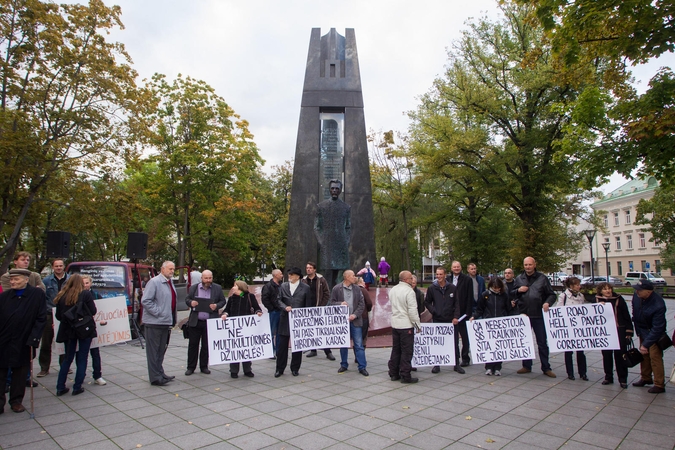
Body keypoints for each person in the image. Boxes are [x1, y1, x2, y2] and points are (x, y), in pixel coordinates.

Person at [0, 269, 46, 413]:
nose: (13, 282)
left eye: (16, 279)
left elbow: (41, 318)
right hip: (4, 340)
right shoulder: (4, 297)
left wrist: (34, 338)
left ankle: (16, 401)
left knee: (20, 374)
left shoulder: (36, 295)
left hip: (24, 341)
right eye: (11, 280)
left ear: (26, 279)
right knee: (1, 373)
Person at [512, 256, 557, 378]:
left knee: (542, 342)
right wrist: (517, 293)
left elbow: (552, 295)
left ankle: (546, 367)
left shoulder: (542, 278)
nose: (528, 267)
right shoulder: (519, 279)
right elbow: (512, 294)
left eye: (530, 265)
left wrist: (547, 303)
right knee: (525, 342)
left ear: (534, 265)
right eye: (526, 265)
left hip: (538, 315)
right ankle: (526, 365)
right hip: (524, 315)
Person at [54, 274, 97, 396]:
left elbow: (58, 316)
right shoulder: (85, 294)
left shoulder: (62, 296)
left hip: (67, 329)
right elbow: (93, 311)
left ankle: (60, 386)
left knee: (67, 359)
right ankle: (77, 386)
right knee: (82, 357)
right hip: (83, 329)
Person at [141, 261, 177, 386]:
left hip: (165, 322)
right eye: (170, 269)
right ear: (162, 269)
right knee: (154, 351)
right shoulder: (155, 282)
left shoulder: (169, 282)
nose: (172, 271)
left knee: (161, 349)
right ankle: (155, 377)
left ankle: (160, 372)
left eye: (173, 269)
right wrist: (159, 313)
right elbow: (146, 301)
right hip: (155, 322)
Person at [185, 270, 226, 376]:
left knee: (206, 346)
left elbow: (223, 301)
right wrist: (191, 303)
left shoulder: (217, 288)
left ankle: (204, 366)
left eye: (210, 278)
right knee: (193, 345)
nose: (208, 280)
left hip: (209, 322)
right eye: (206, 278)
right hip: (196, 321)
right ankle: (190, 367)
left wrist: (216, 306)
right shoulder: (194, 288)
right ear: (201, 278)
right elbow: (187, 299)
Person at [274, 267, 312, 377]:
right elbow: (278, 300)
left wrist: (305, 320)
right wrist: (285, 307)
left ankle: (295, 368)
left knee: (297, 346)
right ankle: (279, 369)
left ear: (298, 276)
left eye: (292, 275)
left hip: (298, 321)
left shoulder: (305, 288)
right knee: (282, 347)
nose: (289, 276)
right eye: (289, 274)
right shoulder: (283, 286)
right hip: (285, 319)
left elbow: (308, 305)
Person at [631, 279, 667, 393]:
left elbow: (658, 327)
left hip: (653, 333)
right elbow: (634, 310)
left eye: (640, 290)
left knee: (655, 357)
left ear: (648, 291)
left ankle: (659, 384)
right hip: (642, 329)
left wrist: (647, 343)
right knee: (644, 355)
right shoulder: (637, 296)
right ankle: (646, 378)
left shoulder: (658, 304)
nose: (637, 292)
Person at [472, 277, 513, 376]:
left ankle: (498, 367)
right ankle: (489, 367)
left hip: (500, 324)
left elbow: (508, 309)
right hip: (488, 323)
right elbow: (480, 309)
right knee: (489, 346)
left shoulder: (504, 295)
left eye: (498, 288)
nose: (497, 290)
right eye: (495, 288)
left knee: (499, 347)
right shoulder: (485, 295)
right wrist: (474, 316)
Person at [425, 267, 463, 374]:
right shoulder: (432, 288)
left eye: (441, 274)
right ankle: (437, 365)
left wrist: (456, 317)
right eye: (437, 274)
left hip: (451, 320)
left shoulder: (452, 288)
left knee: (454, 342)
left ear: (445, 275)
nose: (439, 277)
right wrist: (434, 311)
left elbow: (457, 304)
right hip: (438, 319)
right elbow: (427, 302)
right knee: (438, 342)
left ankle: (456, 364)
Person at [330, 270, 368, 376]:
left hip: (355, 320)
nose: (355, 277)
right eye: (352, 275)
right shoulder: (337, 289)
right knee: (343, 344)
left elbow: (361, 304)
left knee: (359, 345)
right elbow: (332, 303)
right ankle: (343, 364)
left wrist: (354, 315)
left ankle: (362, 366)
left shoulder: (357, 289)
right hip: (342, 322)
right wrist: (339, 303)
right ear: (346, 277)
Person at [314, 179, 351, 288]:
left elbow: (348, 227)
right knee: (327, 274)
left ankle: (337, 298)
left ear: (340, 190)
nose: (335, 190)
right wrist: (321, 242)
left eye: (337, 188)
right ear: (329, 190)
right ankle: (327, 299)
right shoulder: (321, 206)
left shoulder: (346, 208)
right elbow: (316, 227)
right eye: (332, 188)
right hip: (327, 245)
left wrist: (346, 241)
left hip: (341, 245)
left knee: (340, 274)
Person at [222, 281, 263, 378]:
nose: (233, 287)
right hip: (234, 328)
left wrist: (258, 312)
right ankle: (233, 370)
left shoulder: (249, 296)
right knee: (234, 349)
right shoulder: (232, 299)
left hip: (247, 327)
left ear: (240, 287)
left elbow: (256, 308)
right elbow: (227, 309)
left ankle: (247, 369)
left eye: (235, 285)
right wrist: (225, 314)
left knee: (246, 349)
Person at [596, 282, 633, 388]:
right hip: (605, 332)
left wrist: (628, 331)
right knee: (606, 355)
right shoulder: (597, 300)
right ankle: (608, 376)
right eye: (605, 289)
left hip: (619, 330)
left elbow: (626, 315)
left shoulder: (619, 299)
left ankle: (622, 378)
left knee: (620, 355)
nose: (608, 291)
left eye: (609, 289)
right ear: (600, 291)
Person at [388, 271, 421, 383]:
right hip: (406, 325)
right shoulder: (409, 291)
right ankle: (405, 374)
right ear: (406, 279)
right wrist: (417, 325)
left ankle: (393, 373)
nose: (413, 280)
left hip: (395, 323)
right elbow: (412, 311)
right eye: (411, 278)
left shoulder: (393, 290)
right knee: (407, 351)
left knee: (396, 349)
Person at [38, 259, 69, 377]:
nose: (59, 268)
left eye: (61, 265)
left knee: (64, 341)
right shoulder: (46, 281)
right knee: (46, 341)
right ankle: (44, 367)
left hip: (65, 313)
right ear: (53, 267)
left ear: (64, 266)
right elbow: (42, 298)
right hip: (50, 313)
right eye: (56, 266)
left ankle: (65, 365)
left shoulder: (70, 279)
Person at [557, 277, 588, 381]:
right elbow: (559, 311)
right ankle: (570, 373)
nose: (579, 286)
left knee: (580, 351)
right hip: (568, 327)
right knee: (568, 351)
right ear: (571, 286)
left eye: (579, 284)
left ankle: (583, 372)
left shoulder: (581, 296)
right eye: (577, 284)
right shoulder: (563, 296)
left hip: (578, 328)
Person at [302, 262, 335, 360]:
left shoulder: (321, 279)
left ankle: (328, 351)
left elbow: (326, 293)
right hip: (307, 310)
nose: (308, 269)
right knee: (311, 330)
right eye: (307, 268)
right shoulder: (303, 280)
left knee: (322, 331)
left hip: (319, 309)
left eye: (310, 268)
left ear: (314, 269)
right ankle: (313, 350)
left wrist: (321, 306)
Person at [82, 275, 107, 386]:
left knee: (95, 353)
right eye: (83, 283)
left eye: (87, 283)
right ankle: (81, 375)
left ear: (90, 283)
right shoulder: (77, 295)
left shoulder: (96, 295)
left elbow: (102, 311)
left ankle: (97, 375)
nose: (85, 285)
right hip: (82, 329)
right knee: (81, 354)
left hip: (93, 328)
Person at [447, 261, 473, 369]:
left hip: (463, 313)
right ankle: (455, 357)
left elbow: (469, 297)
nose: (456, 268)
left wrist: (468, 312)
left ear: (461, 268)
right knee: (453, 338)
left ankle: (465, 357)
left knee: (465, 337)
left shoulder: (467, 280)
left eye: (458, 267)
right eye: (454, 267)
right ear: (451, 268)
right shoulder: (447, 279)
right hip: (451, 313)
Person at [261, 269, 283, 358]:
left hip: (281, 311)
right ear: (276, 275)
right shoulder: (268, 286)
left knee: (279, 332)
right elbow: (265, 299)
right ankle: (271, 350)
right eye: (281, 274)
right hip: (274, 312)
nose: (282, 275)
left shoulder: (281, 286)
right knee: (271, 331)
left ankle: (278, 350)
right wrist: (272, 308)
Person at [356, 277, 373, 351]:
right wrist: (368, 310)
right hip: (363, 316)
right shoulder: (363, 290)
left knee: (356, 337)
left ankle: (357, 354)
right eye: (363, 281)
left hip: (355, 316)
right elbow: (369, 302)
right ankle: (361, 354)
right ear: (359, 282)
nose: (364, 282)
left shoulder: (352, 290)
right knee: (363, 336)